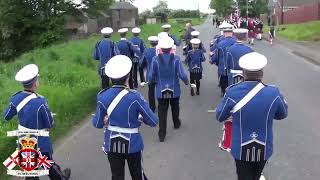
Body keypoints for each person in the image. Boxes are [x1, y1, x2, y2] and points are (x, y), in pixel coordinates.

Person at [215, 52, 288, 180]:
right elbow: (282, 114)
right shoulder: (273, 92)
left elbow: (220, 116)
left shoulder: (232, 92)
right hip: (264, 147)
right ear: (262, 73)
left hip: (240, 146)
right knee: (256, 174)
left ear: (243, 73)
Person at [92, 55, 158, 180]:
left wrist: (104, 120)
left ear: (110, 78)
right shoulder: (135, 97)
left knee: (117, 176)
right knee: (137, 175)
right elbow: (153, 121)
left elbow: (97, 124)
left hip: (112, 144)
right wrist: (141, 118)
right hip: (132, 144)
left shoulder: (102, 96)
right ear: (128, 76)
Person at [3, 64, 71, 180]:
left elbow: (6, 116)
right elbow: (49, 124)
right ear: (35, 83)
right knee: (48, 164)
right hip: (40, 140)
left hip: (24, 139)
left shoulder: (15, 99)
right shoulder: (41, 102)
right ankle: (61, 178)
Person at [218, 28, 254, 152]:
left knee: (233, 96)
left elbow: (227, 65)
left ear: (235, 36)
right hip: (245, 75)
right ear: (244, 37)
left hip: (233, 75)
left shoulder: (230, 49)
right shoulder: (249, 49)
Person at [149, 37, 189, 142]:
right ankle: (176, 122)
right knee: (175, 107)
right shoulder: (176, 59)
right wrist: (186, 81)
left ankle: (162, 134)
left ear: (160, 48)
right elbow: (182, 74)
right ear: (171, 47)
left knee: (162, 112)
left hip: (161, 90)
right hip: (174, 88)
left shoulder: (155, 60)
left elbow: (151, 76)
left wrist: (152, 81)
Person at [210, 22, 236, 96]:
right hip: (234, 69)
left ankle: (224, 93)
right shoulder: (236, 41)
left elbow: (216, 56)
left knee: (223, 84)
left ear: (224, 32)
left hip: (223, 68)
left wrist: (212, 60)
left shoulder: (221, 44)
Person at [140, 36, 159, 112]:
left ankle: (152, 107)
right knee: (159, 89)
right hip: (159, 74)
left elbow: (141, 63)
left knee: (151, 91)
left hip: (150, 74)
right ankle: (161, 104)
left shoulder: (146, 51)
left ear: (150, 43)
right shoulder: (159, 52)